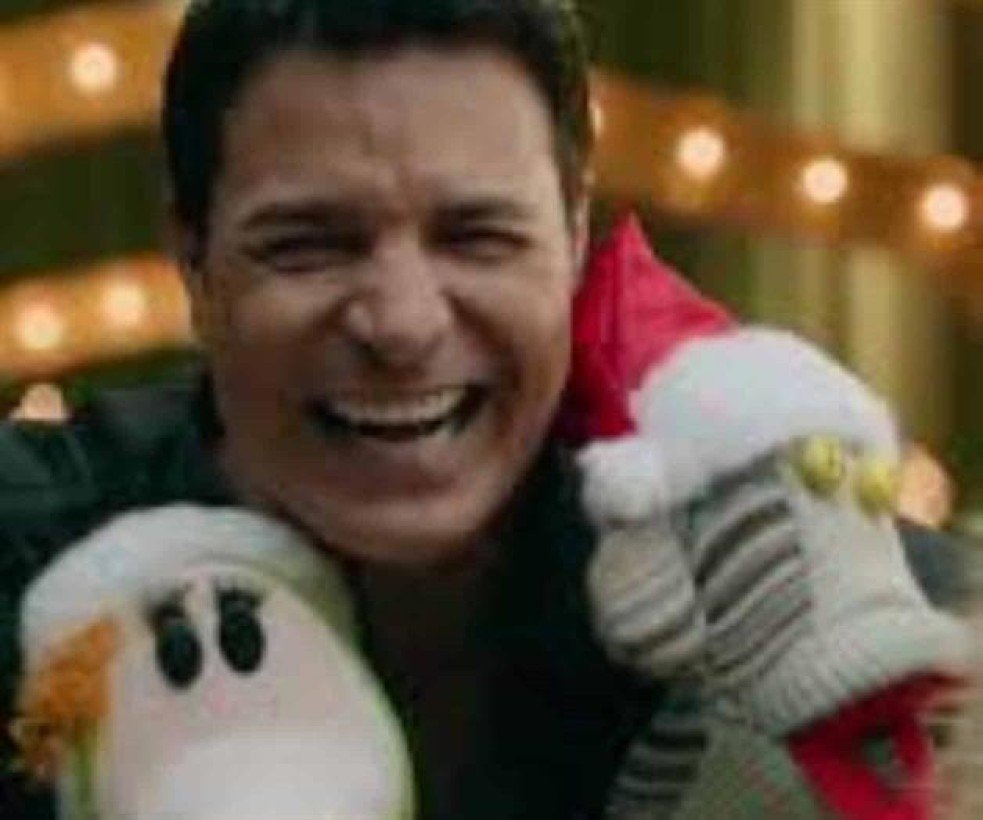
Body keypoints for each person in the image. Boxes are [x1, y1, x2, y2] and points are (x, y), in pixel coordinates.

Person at [0, 1, 968, 817]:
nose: (402, 323)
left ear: (573, 234)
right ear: (194, 263)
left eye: (476, 236)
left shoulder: (768, 575)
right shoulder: (27, 551)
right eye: (308, 244)